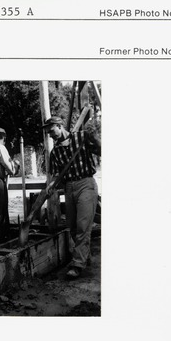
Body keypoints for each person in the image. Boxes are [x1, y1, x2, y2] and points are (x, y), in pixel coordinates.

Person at [43, 116, 101, 279]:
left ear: (60, 126)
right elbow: (56, 175)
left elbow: (102, 150)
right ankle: (84, 256)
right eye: (48, 133)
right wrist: (51, 185)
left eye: (52, 130)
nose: (51, 135)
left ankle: (77, 264)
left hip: (86, 184)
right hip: (69, 187)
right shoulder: (55, 152)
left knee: (83, 225)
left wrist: (94, 139)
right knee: (73, 227)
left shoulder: (82, 138)